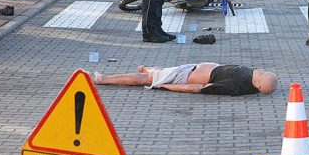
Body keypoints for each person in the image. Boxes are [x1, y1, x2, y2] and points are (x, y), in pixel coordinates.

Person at [94, 63, 278, 95]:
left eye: (262, 73)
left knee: (148, 79)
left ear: (259, 85)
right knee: (159, 73)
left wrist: (166, 86)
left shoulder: (235, 86)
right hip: (190, 68)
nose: (260, 70)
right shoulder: (249, 77)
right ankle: (152, 70)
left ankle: (105, 79)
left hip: (186, 76)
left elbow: (198, 88)